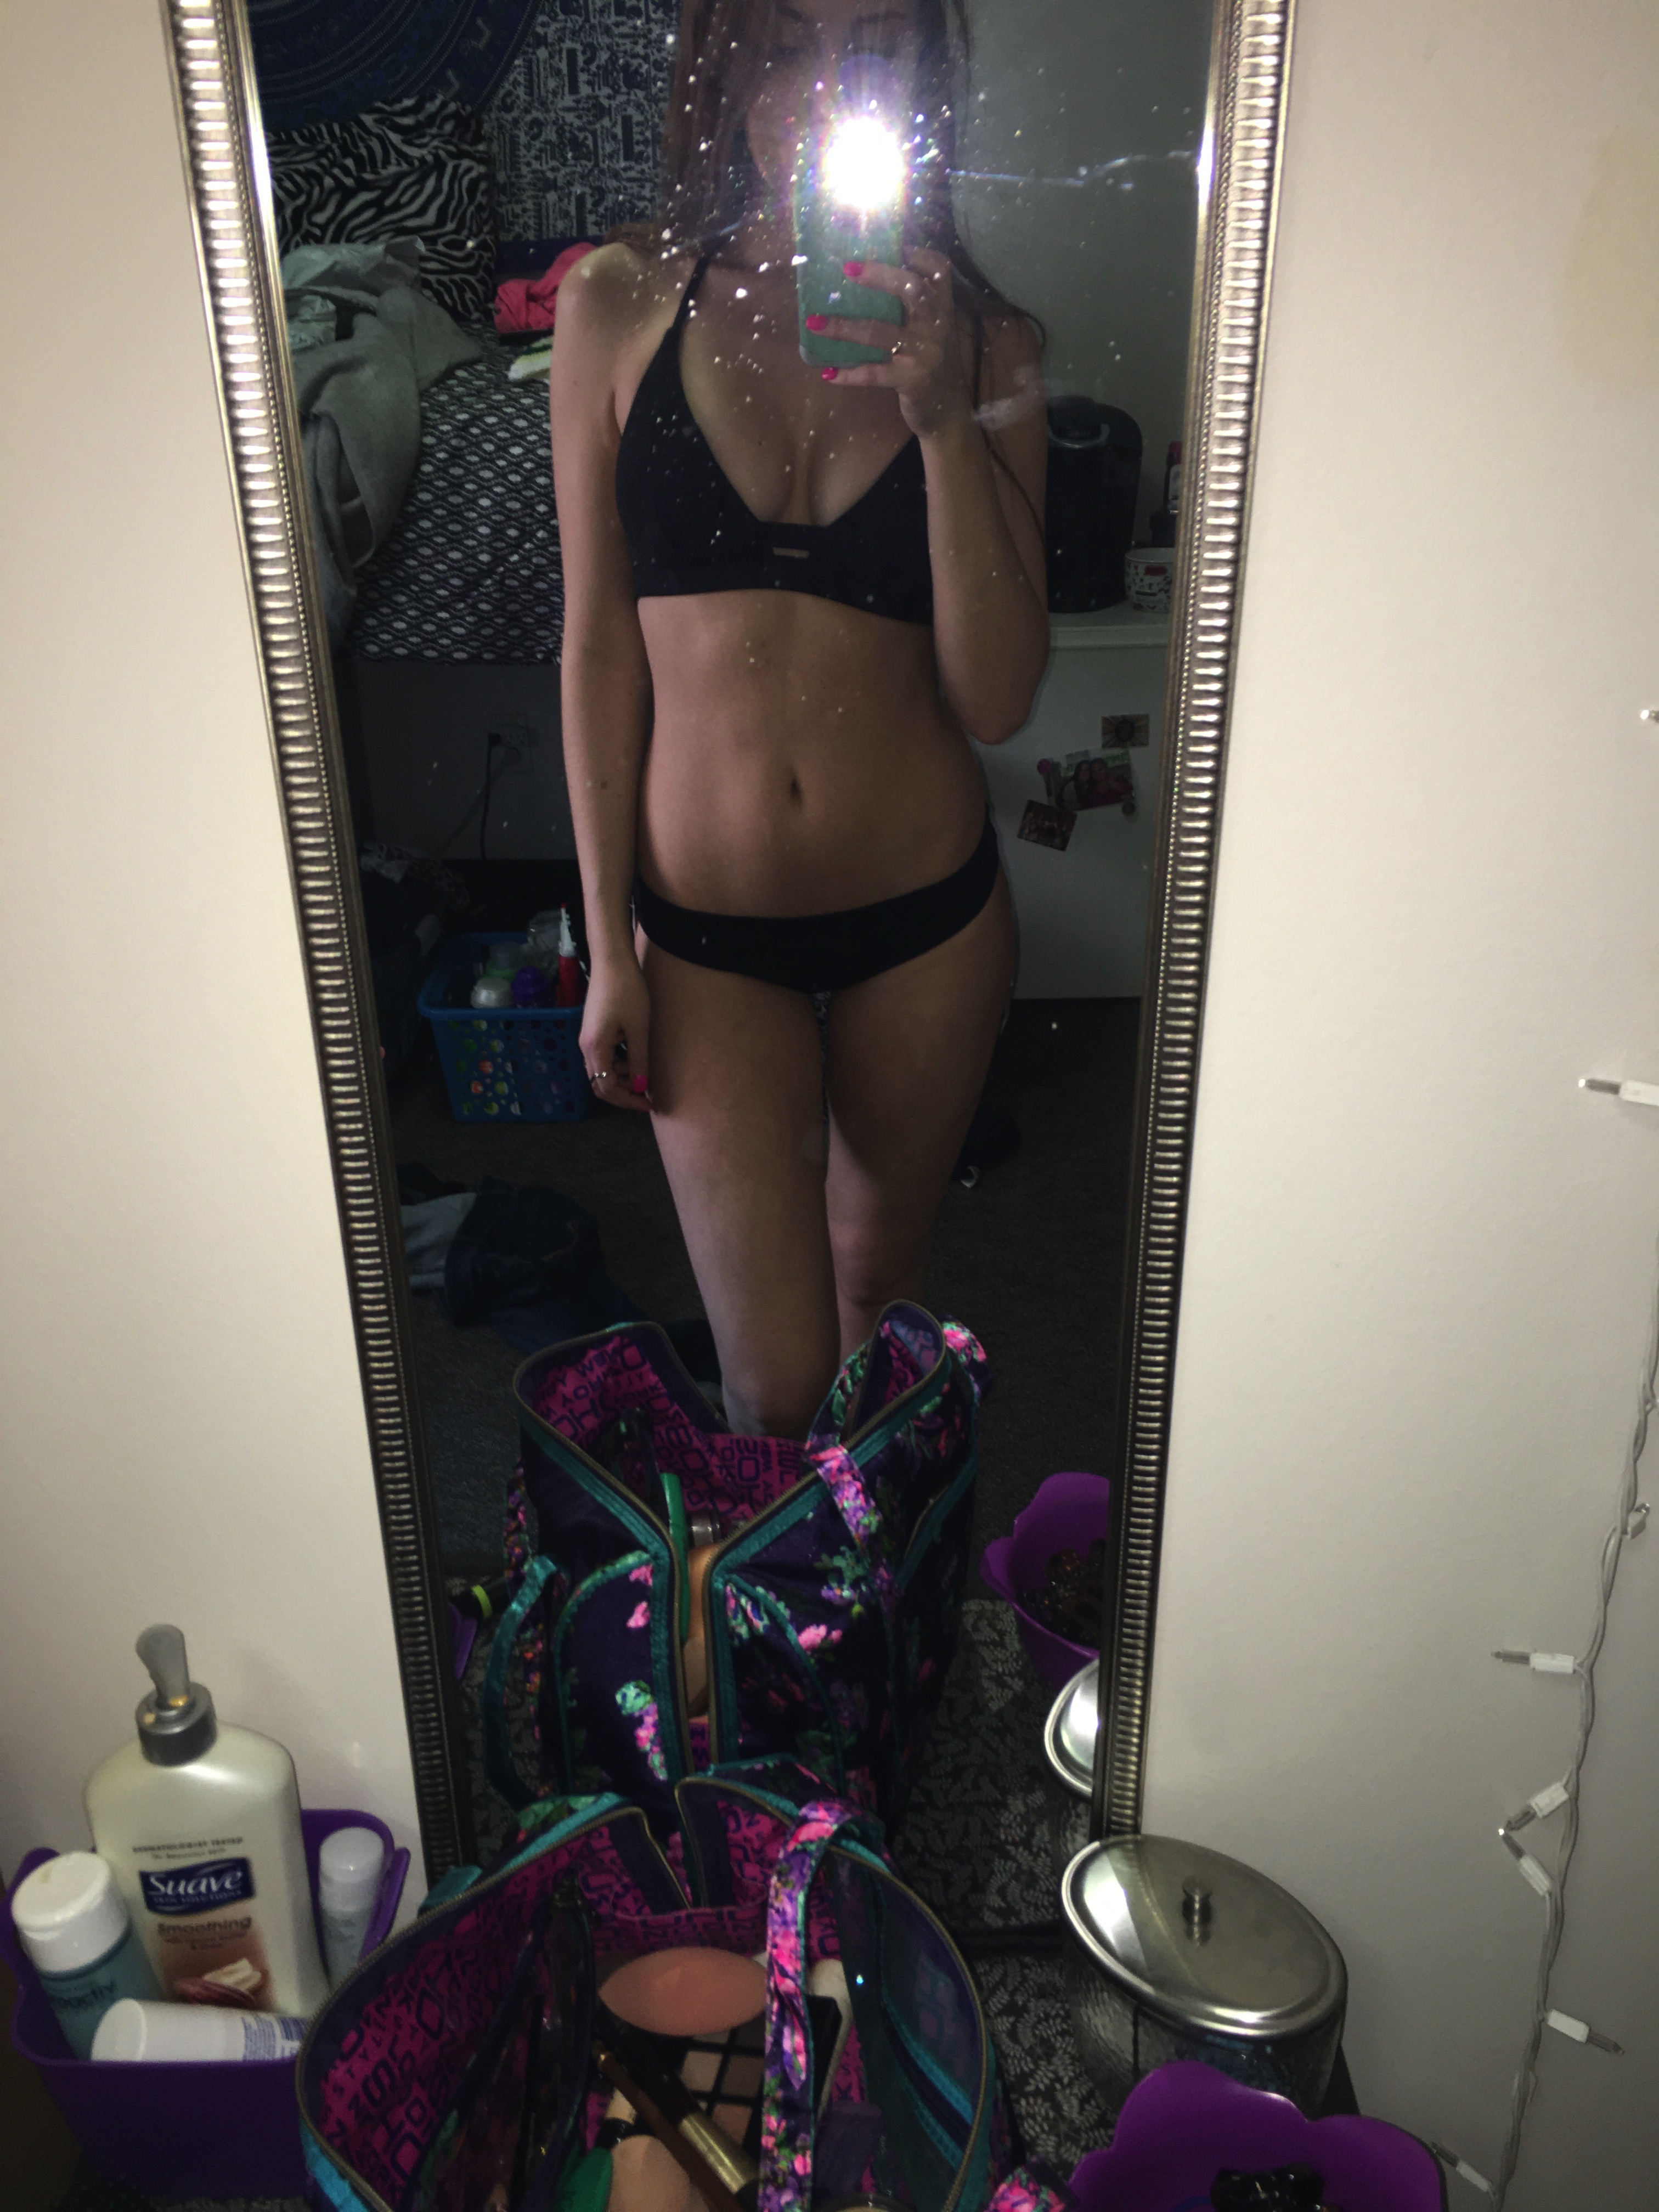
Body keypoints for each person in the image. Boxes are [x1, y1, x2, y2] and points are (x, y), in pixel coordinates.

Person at [551, 0, 1048, 1438]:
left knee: (878, 1295)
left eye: (870, 48)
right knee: (769, 1388)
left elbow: (999, 698)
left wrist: (945, 421)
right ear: (727, 64)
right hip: (704, 935)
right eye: (783, 43)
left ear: (923, 80)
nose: (823, 87)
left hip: (926, 923)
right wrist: (606, 945)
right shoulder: (616, 305)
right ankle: (814, 1573)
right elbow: (597, 646)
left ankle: (878, 1574)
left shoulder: (991, 345)